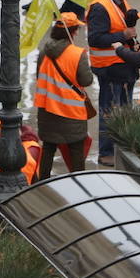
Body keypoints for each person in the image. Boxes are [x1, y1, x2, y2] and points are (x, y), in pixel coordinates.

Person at [89, 0, 140, 165]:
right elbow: (95, 39)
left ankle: (123, 147)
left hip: (124, 66)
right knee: (109, 111)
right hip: (109, 68)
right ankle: (106, 152)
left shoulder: (120, 2)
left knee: (125, 110)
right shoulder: (100, 7)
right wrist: (123, 36)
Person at [33, 12, 92, 177]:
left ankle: (42, 183)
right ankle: (78, 185)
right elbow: (86, 80)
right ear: (72, 32)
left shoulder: (43, 53)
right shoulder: (77, 54)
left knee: (48, 148)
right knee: (76, 153)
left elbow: (40, 77)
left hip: (47, 110)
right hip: (72, 113)